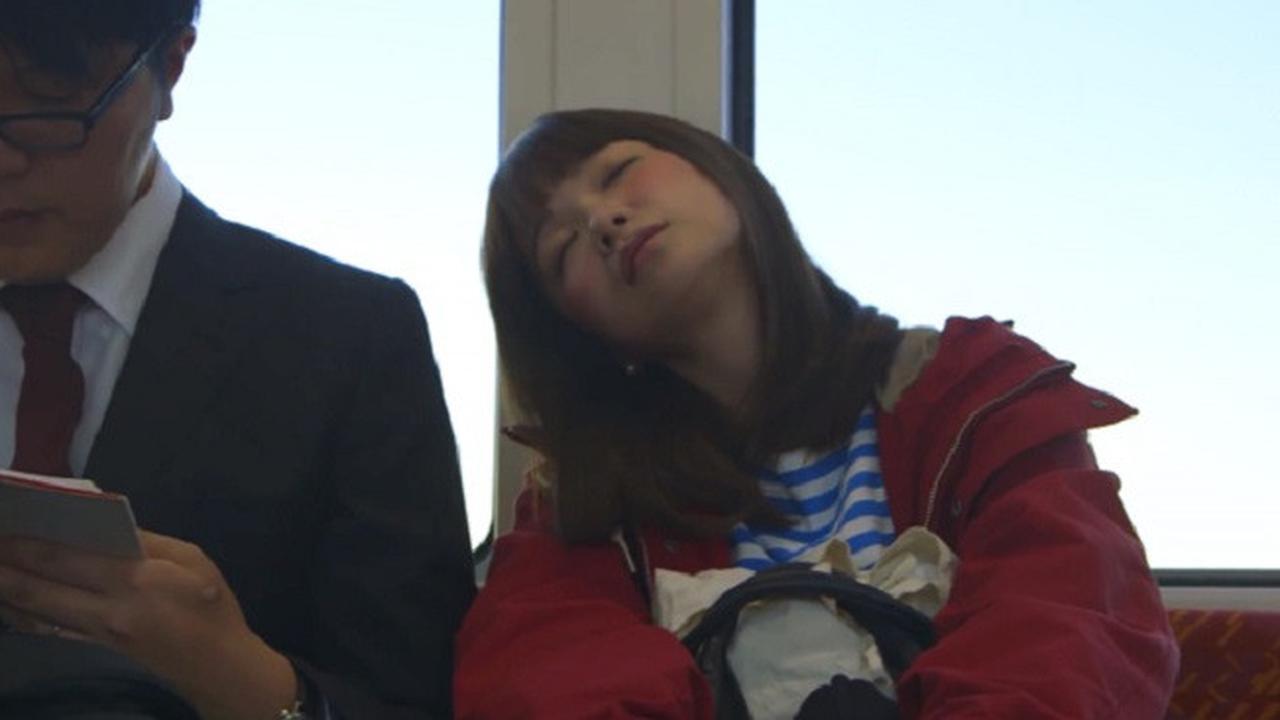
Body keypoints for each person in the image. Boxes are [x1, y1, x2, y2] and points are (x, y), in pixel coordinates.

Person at [454, 108, 1179, 718]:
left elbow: (1069, 624)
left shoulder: (973, 392)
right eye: (562, 248)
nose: (603, 221)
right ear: (580, 337)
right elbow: (548, 676)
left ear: (719, 169)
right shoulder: (583, 508)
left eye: (619, 171)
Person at [0, 2, 474, 718]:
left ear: (170, 65)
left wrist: (252, 686)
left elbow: (408, 698)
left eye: (49, 100)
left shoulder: (350, 339)